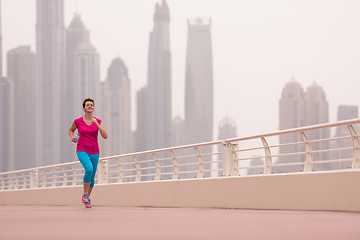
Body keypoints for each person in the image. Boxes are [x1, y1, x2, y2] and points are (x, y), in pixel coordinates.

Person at [68, 98, 108, 208]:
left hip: (95, 151)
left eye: (91, 105)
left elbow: (105, 136)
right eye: (87, 105)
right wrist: (72, 137)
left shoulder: (98, 121)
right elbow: (71, 130)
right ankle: (85, 194)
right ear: (84, 108)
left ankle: (87, 198)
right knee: (89, 169)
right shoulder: (77, 121)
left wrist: (97, 125)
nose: (89, 106)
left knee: (92, 177)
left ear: (93, 108)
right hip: (82, 150)